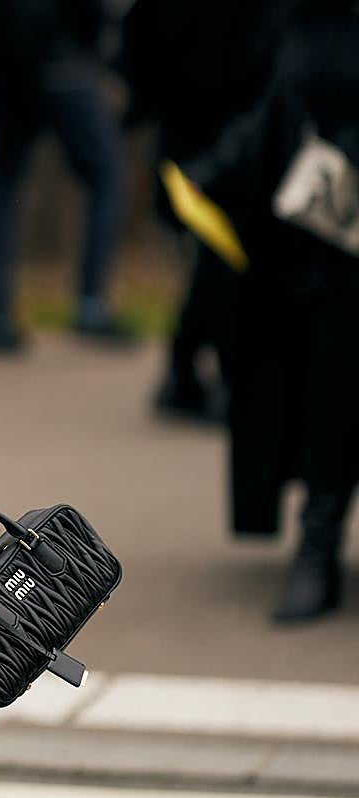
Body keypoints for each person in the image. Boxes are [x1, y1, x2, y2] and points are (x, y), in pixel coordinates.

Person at [181, 0, 359, 622]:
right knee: (324, 402)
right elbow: (275, 112)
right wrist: (213, 172)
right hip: (309, 251)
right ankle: (317, 548)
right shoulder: (302, 21)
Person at [116, 0, 292, 420]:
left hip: (205, 133)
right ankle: (200, 373)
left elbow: (137, 41)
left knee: (216, 259)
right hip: (222, 138)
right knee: (220, 259)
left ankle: (189, 372)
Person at [0, 0, 133, 353]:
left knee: (2, 192)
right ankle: (91, 303)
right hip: (62, 66)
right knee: (108, 176)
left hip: (7, 79)